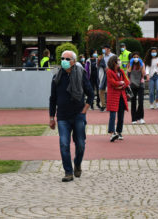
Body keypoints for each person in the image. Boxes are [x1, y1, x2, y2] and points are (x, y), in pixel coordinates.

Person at [49, 50, 94, 182]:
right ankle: (68, 172)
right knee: (64, 144)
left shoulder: (80, 75)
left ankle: (77, 163)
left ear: (74, 61)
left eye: (67, 59)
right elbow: (52, 99)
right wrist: (52, 118)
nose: (64, 61)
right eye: (62, 58)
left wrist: (85, 110)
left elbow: (90, 94)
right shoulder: (56, 78)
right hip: (62, 116)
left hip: (78, 115)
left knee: (80, 144)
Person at [106, 55, 129, 142]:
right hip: (113, 96)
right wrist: (120, 83)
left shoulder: (122, 71)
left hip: (121, 96)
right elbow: (112, 82)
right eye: (118, 60)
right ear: (113, 62)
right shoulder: (109, 72)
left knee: (121, 116)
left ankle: (119, 132)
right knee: (112, 115)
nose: (119, 62)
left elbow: (127, 82)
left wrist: (121, 85)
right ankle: (112, 133)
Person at [127, 52, 146, 124]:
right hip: (132, 84)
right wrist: (131, 65)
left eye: (137, 57)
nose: (136, 58)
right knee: (133, 102)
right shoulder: (130, 64)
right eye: (134, 57)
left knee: (141, 101)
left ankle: (141, 117)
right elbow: (128, 74)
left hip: (140, 83)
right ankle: (134, 119)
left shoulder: (142, 64)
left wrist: (141, 65)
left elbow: (143, 73)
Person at [98, 45, 115, 112]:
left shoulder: (113, 56)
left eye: (104, 49)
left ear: (108, 49)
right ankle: (103, 105)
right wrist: (98, 61)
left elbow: (117, 65)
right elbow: (98, 66)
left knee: (110, 90)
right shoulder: (102, 56)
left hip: (111, 74)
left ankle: (111, 105)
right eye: (103, 49)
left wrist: (110, 68)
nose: (103, 50)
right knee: (101, 90)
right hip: (104, 75)